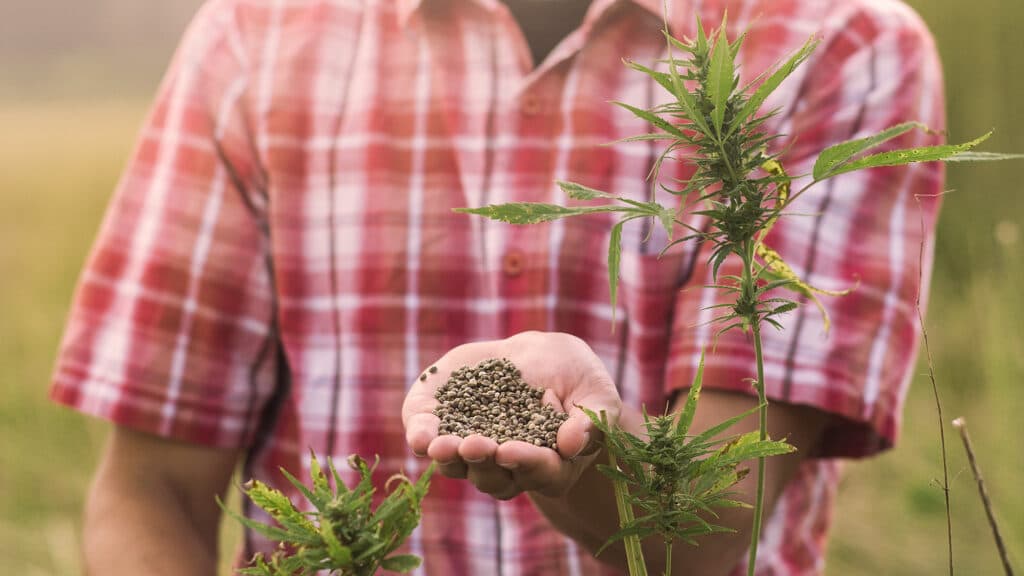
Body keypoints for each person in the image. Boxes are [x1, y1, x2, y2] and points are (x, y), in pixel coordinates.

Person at [50, 0, 945, 574]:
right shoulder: (255, 34)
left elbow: (711, 529)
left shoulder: (843, 43)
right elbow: (153, 488)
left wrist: (590, 447)